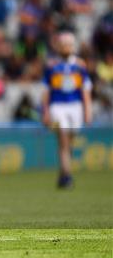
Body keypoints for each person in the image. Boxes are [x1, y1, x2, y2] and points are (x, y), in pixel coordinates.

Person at [42, 32, 92, 189]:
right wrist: (45, 111)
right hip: (57, 106)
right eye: (63, 44)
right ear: (58, 46)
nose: (66, 47)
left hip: (75, 107)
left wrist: (87, 110)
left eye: (69, 44)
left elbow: (85, 90)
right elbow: (46, 92)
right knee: (63, 139)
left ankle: (63, 173)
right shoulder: (52, 66)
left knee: (69, 143)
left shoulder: (80, 66)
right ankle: (68, 177)